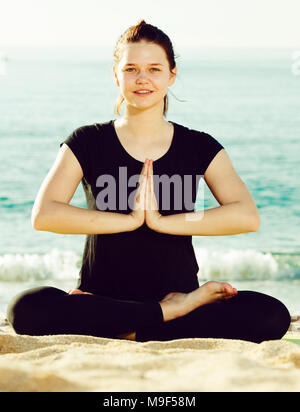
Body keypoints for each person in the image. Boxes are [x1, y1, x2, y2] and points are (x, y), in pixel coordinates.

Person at [6, 19, 290, 343]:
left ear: (171, 74)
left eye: (154, 69)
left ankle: (136, 324)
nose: (143, 79)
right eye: (131, 69)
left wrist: (161, 222)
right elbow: (44, 215)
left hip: (179, 294)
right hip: (104, 299)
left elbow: (246, 215)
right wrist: (127, 221)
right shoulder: (87, 141)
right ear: (116, 74)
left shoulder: (199, 146)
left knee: (272, 315)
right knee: (24, 308)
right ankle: (162, 315)